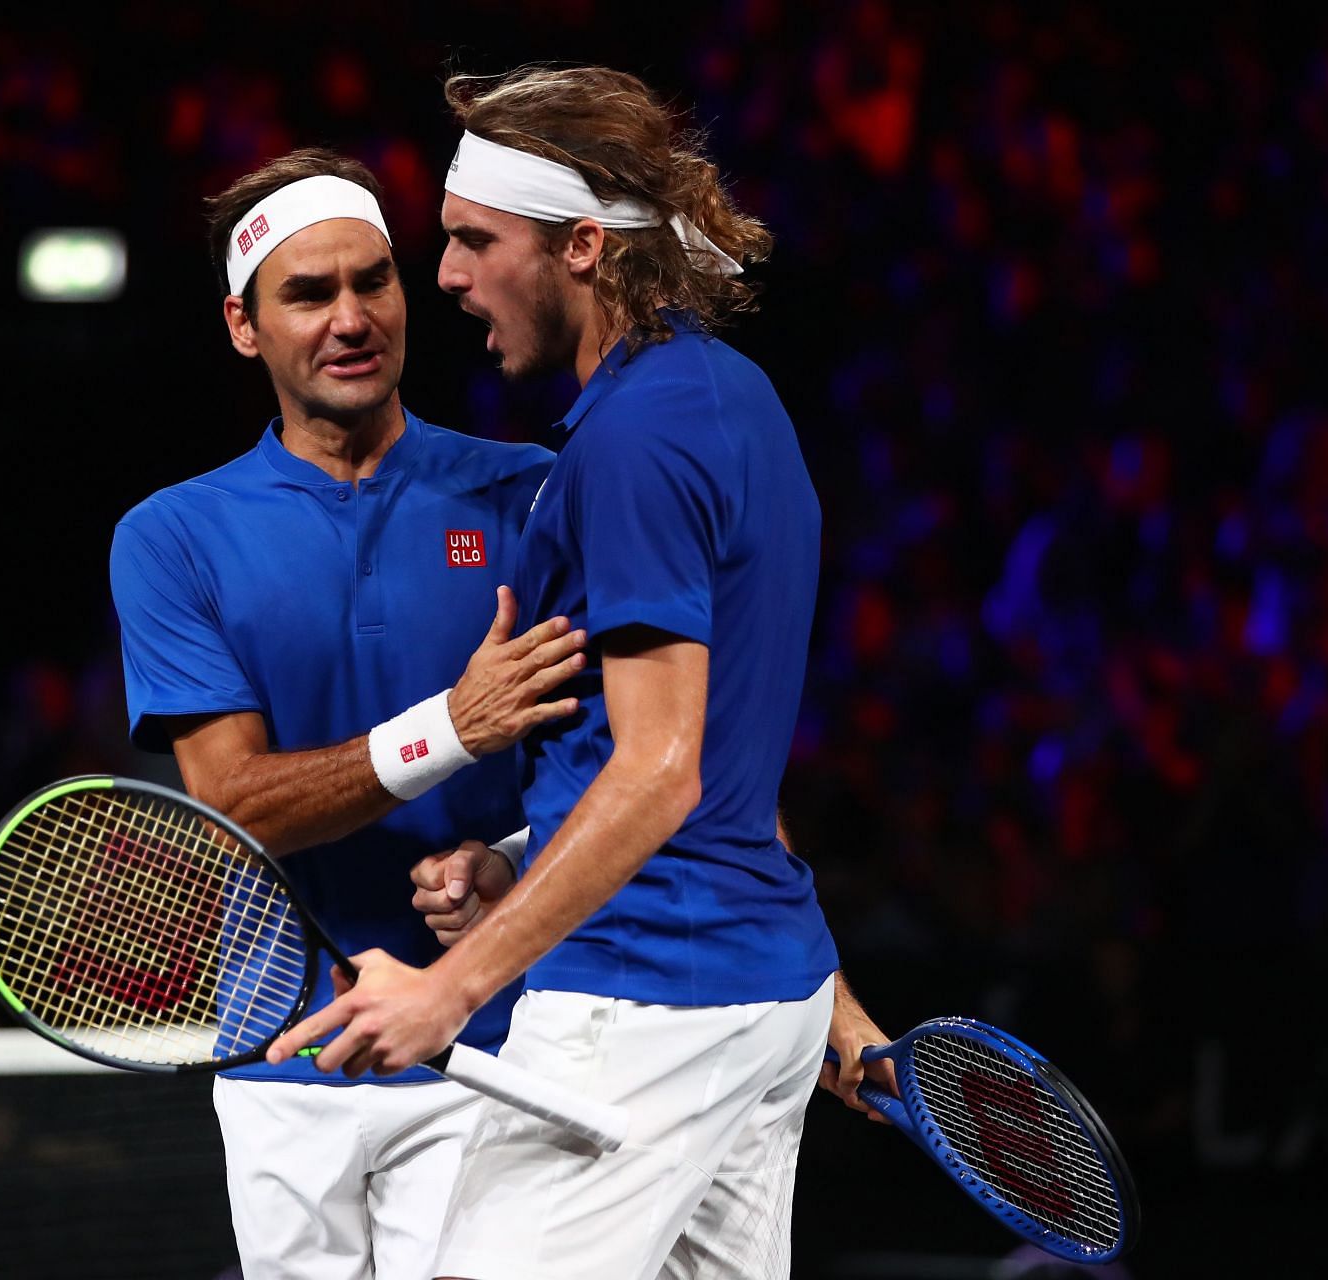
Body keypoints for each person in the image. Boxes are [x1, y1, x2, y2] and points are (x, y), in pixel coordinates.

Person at [272, 68, 899, 1279]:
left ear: (581, 246)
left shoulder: (632, 443)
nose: (445, 276)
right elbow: (724, 768)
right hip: (756, 999)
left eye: (471, 241)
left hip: (641, 1007)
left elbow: (662, 772)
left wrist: (452, 988)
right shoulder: (737, 400)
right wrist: (824, 991)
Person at [109, 148, 584, 1280]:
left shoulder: (528, 492)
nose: (352, 316)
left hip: (493, 1038)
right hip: (282, 1054)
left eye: (373, 280)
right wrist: (452, 729)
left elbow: (618, 762)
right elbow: (235, 803)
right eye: (309, 293)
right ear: (244, 325)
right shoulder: (172, 537)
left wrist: (510, 856)